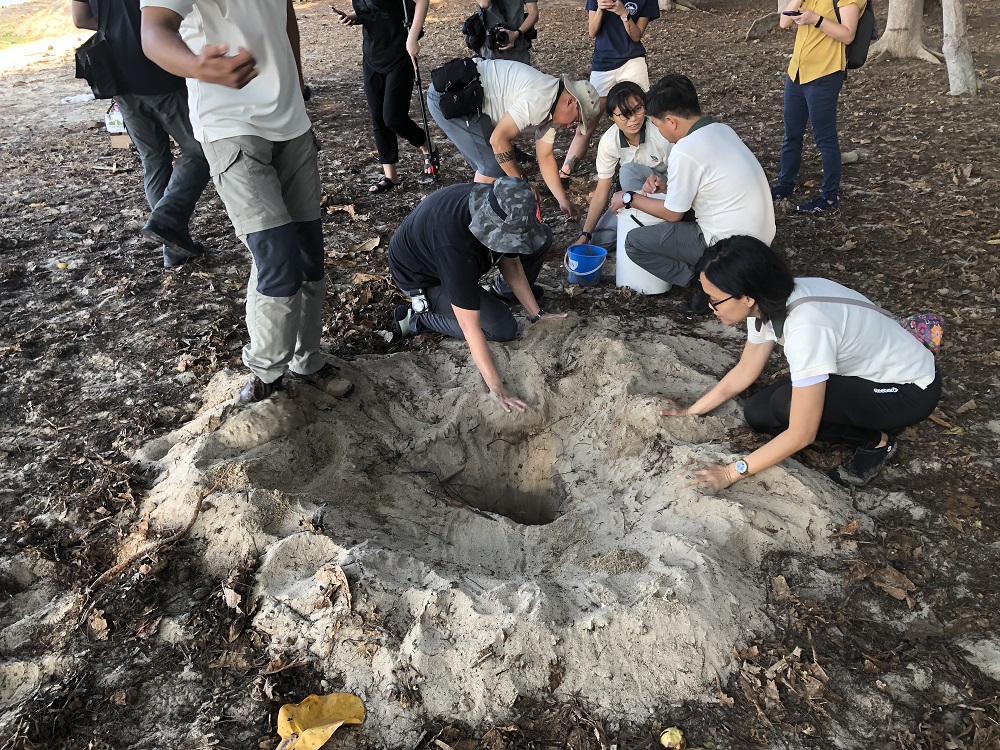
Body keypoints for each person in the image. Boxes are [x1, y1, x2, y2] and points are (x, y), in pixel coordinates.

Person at [141, 0, 352, 404]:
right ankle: (265, 373)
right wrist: (198, 66)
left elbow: (285, 13)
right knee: (277, 258)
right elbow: (154, 31)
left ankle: (307, 361)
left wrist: (297, 80)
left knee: (310, 256)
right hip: (229, 123)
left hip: (291, 121)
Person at [662, 235, 941, 490]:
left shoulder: (806, 326)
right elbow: (745, 370)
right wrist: (691, 412)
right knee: (759, 413)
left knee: (788, 407)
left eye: (713, 301)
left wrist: (730, 473)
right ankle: (866, 414)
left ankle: (879, 442)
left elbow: (802, 434)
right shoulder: (770, 299)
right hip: (862, 372)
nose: (709, 308)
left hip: (909, 390)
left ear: (746, 298)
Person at [388, 177, 566, 413]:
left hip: (453, 259)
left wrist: (538, 314)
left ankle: (496, 295)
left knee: (539, 238)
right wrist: (496, 387)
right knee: (501, 328)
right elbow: (469, 326)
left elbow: (511, 261)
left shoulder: (496, 201)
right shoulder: (456, 247)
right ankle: (418, 316)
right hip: (423, 278)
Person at [610, 74, 775, 316]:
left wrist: (628, 198)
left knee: (634, 242)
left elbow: (672, 214)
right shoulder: (722, 130)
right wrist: (667, 185)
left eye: (658, 126)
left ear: (671, 121)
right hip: (761, 239)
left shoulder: (685, 149)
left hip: (727, 246)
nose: (660, 132)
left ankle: (706, 284)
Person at [72, 0, 209, 269]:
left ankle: (174, 248)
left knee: (154, 160)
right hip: (159, 68)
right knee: (202, 148)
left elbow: (81, 18)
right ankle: (167, 219)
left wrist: (117, 26)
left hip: (116, 73)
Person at [426, 58, 601, 221]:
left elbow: (545, 156)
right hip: (450, 96)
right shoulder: (541, 99)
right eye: (577, 120)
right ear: (571, 102)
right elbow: (499, 141)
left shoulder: (552, 108)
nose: (571, 126)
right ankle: (473, 223)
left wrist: (563, 200)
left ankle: (480, 220)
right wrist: (522, 183)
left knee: (495, 166)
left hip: (470, 102)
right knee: (492, 167)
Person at [772, 0, 867, 213]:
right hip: (796, 72)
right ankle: (785, 184)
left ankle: (829, 197)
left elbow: (848, 35)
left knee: (824, 138)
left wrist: (816, 19)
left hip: (825, 74)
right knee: (792, 133)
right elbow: (784, 22)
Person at [334, 0, 436, 194]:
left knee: (393, 118)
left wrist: (413, 38)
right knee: (378, 118)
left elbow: (422, 1)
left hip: (400, 52)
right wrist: (352, 18)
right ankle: (390, 176)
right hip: (372, 55)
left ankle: (426, 146)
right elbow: (373, 12)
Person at [557, 0, 658, 188]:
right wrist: (601, 10)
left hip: (632, 60)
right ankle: (564, 172)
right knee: (588, 120)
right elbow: (592, 31)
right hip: (603, 63)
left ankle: (648, 167)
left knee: (640, 114)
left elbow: (637, 36)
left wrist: (623, 13)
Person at [574, 81, 671, 251]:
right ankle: (641, 227)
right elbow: (602, 191)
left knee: (627, 171)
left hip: (667, 190)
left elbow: (684, 177)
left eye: (637, 110)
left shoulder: (660, 133)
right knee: (597, 240)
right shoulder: (609, 142)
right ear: (612, 117)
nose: (633, 119)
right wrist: (585, 235)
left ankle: (648, 229)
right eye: (624, 115)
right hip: (634, 197)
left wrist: (665, 187)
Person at [475, 0, 538, 66]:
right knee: (521, 73)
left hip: (493, 49)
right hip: (518, 46)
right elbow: (534, 14)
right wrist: (517, 33)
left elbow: (484, 3)